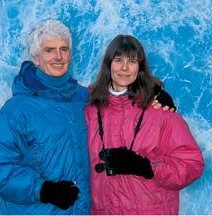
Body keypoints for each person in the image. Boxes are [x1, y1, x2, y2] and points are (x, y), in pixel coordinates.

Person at [0, 20, 175, 215]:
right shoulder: (15, 111)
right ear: (36, 58)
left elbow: (120, 99)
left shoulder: (85, 98)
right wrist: (44, 190)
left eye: (63, 49)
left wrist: (154, 95)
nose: (58, 56)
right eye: (49, 50)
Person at [85, 34, 204, 215]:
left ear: (140, 67)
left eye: (132, 61)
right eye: (118, 60)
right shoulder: (89, 109)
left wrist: (147, 167)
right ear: (108, 65)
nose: (124, 68)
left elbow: (191, 165)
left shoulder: (161, 113)